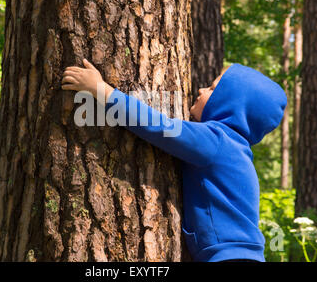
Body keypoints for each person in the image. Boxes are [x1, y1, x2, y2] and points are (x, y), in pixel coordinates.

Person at [61, 58, 287, 262]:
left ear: (232, 103)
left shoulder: (215, 141)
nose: (200, 89)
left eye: (212, 88)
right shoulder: (234, 148)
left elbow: (158, 126)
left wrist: (101, 90)